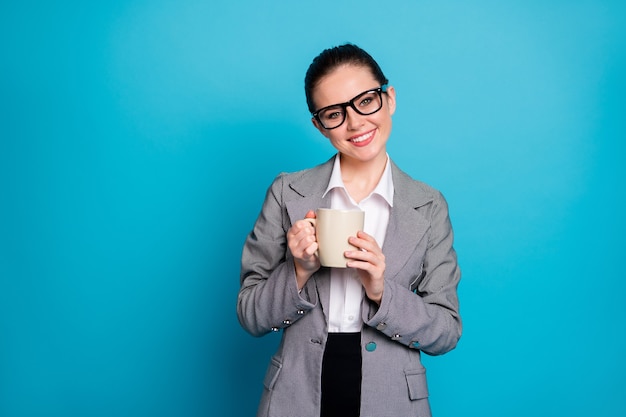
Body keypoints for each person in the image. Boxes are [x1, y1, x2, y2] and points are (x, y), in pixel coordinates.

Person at [237, 43, 461, 417]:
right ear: (318, 125)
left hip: (392, 399)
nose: (355, 123)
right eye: (334, 113)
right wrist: (298, 271)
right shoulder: (287, 192)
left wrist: (380, 290)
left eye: (366, 101)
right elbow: (250, 315)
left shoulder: (429, 205)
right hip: (295, 394)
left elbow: (446, 332)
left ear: (389, 99)